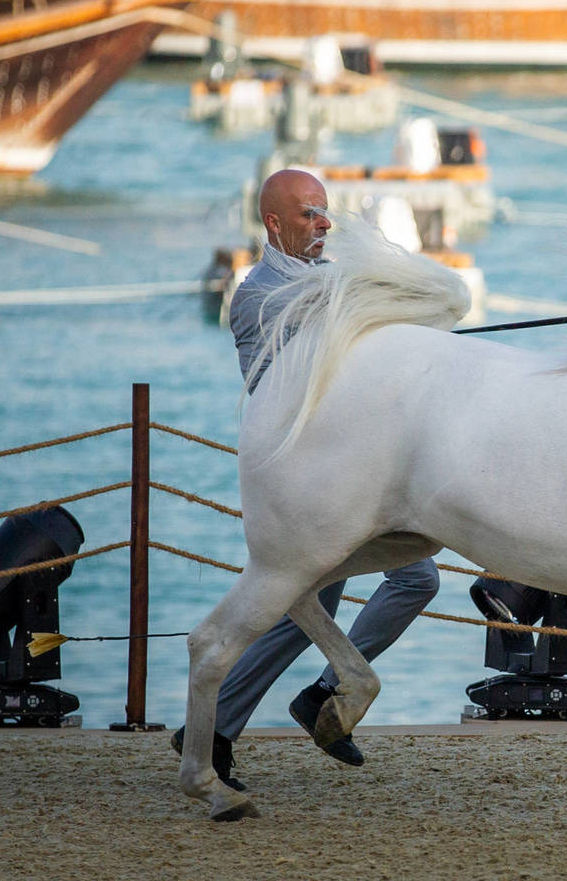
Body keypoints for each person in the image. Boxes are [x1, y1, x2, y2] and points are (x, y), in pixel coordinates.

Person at [175, 168, 440, 790]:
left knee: (378, 587)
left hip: (355, 473)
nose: (325, 223)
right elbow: (280, 392)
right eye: (310, 214)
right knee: (325, 597)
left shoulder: (332, 280)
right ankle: (251, 720)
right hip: (304, 479)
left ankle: (312, 697)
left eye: (326, 213)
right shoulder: (260, 295)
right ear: (274, 223)